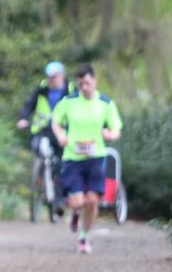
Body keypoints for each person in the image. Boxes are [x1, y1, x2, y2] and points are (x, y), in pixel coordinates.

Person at [51, 63, 122, 254]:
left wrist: (110, 135)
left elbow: (116, 128)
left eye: (87, 83)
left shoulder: (106, 104)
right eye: (81, 84)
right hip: (73, 158)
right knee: (77, 202)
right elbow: (55, 121)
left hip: (96, 157)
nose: (84, 87)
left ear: (94, 81)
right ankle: (75, 212)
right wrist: (60, 136)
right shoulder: (68, 101)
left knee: (92, 201)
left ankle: (83, 237)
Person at [16, 61, 69, 212]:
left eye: (54, 77)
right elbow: (29, 105)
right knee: (39, 148)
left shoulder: (70, 91)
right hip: (42, 129)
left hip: (61, 132)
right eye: (49, 77)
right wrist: (23, 118)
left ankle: (58, 198)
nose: (51, 80)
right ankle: (40, 180)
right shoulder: (41, 90)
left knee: (60, 164)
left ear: (61, 76)